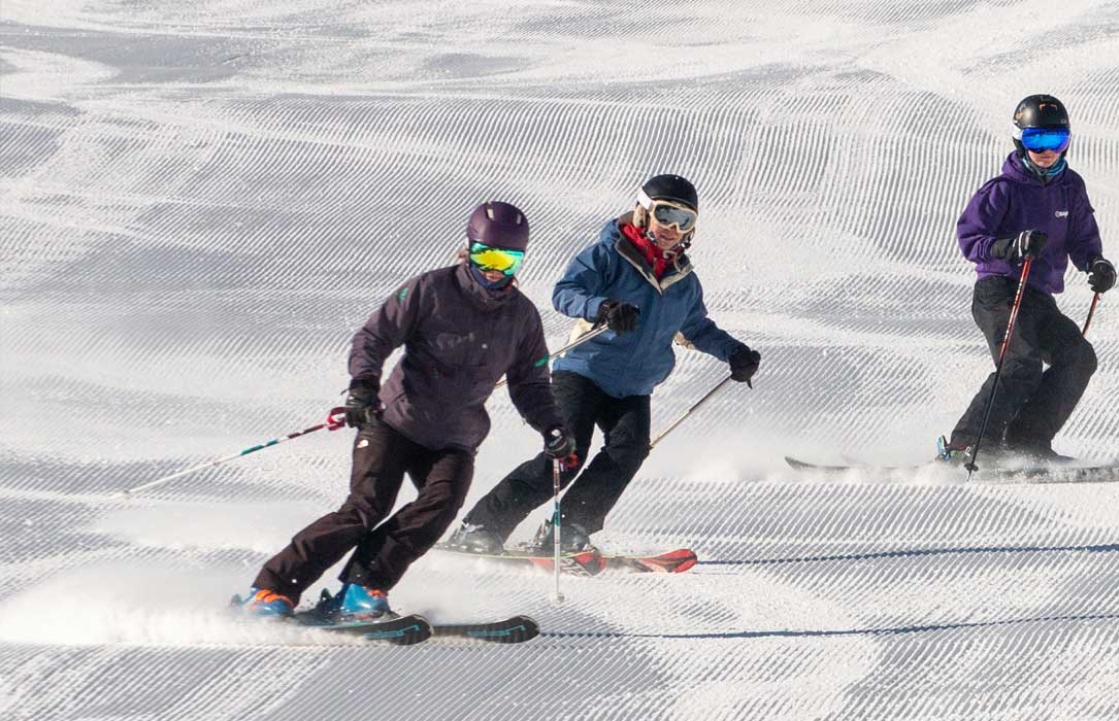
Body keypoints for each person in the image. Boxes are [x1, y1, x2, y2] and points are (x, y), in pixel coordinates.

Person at [236, 201, 570, 621]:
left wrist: (552, 425)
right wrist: (362, 386)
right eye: (486, 255)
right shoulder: (431, 289)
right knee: (365, 508)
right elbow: (373, 337)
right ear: (468, 249)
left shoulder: (521, 317)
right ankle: (270, 590)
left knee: (440, 507)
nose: (494, 269)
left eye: (507, 259)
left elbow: (531, 383)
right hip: (394, 421)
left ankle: (363, 587)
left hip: (455, 437)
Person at [449, 174, 758, 555]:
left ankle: (568, 529)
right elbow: (565, 293)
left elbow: (694, 327)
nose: (673, 228)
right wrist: (603, 307)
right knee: (565, 455)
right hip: (583, 371)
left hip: (634, 387)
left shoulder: (684, 282)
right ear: (644, 211)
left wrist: (734, 352)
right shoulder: (608, 254)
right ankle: (481, 526)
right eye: (665, 214)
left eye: (684, 220)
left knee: (627, 452)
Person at [943, 94, 1117, 464]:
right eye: (1037, 141)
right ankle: (965, 446)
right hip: (999, 292)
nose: (1047, 151)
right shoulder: (1002, 190)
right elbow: (970, 240)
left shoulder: (1070, 186)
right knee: (1020, 363)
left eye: (1056, 142)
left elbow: (1081, 238)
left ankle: (1026, 442)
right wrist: (1012, 246)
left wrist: (1096, 264)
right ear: (1020, 140)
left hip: (1036, 296)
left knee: (1078, 357)